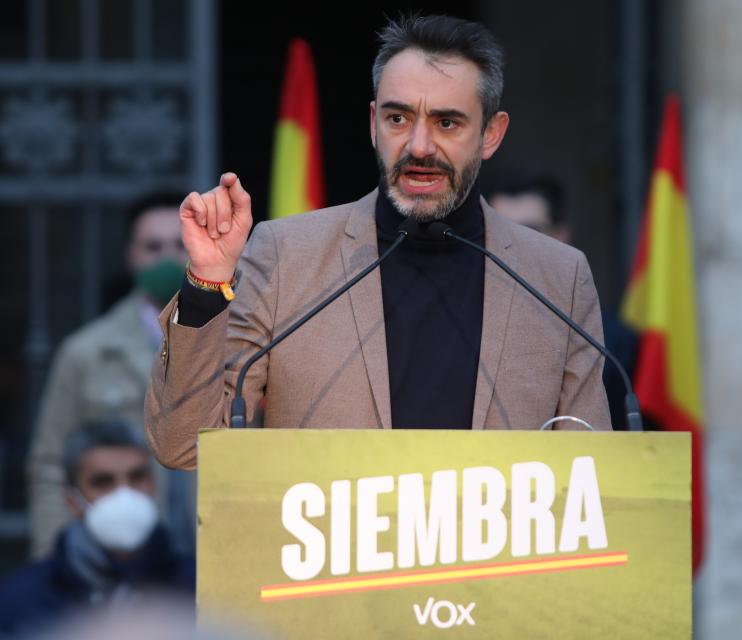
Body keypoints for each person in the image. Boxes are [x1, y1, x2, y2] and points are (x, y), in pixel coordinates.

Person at [145, 14, 611, 471]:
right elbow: (185, 446)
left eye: (447, 123)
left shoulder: (557, 277)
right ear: (373, 123)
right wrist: (207, 284)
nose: (420, 146)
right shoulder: (287, 255)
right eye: (399, 118)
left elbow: (591, 476)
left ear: (491, 133)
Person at [28, 193, 196, 558]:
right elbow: (50, 463)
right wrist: (56, 560)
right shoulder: (87, 351)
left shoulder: (238, 340)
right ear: (132, 256)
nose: (168, 257)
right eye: (153, 246)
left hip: (216, 553)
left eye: (180, 244)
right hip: (120, 557)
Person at [0, 421, 194, 638]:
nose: (124, 494)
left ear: (153, 484)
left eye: (137, 477)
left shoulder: (194, 589)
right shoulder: (21, 601)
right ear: (72, 500)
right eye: (103, 482)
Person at [486, 173, 639, 428]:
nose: (511, 246)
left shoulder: (611, 340)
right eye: (500, 233)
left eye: (530, 231)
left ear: (561, 236)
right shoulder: (464, 319)